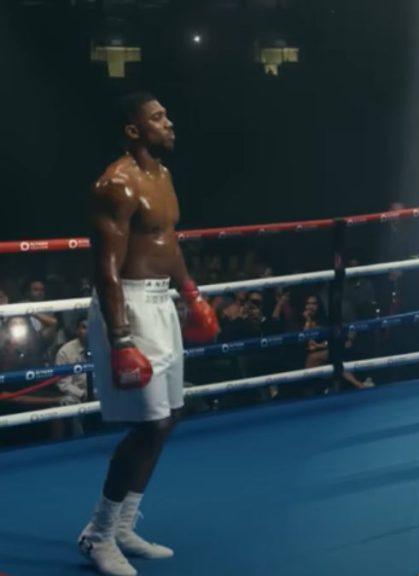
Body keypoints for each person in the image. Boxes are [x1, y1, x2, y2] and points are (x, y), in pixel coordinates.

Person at [78, 92, 220, 576]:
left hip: (161, 300)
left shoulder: (162, 176)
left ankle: (123, 525)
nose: (169, 122)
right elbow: (107, 269)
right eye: (158, 117)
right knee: (149, 425)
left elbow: (168, 240)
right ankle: (98, 534)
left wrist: (191, 293)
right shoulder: (115, 184)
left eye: (166, 114)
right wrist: (120, 340)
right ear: (134, 130)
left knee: (171, 415)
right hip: (130, 306)